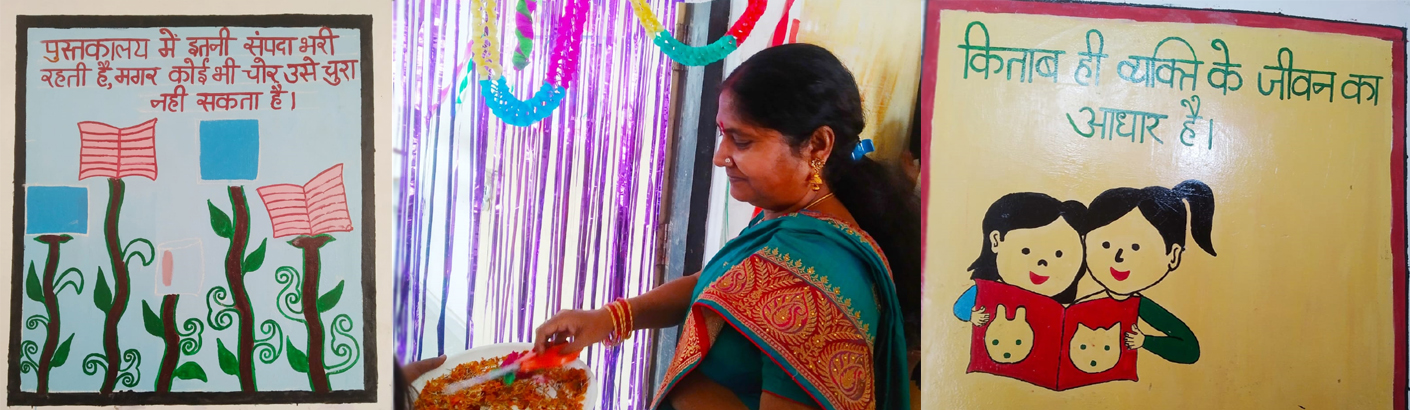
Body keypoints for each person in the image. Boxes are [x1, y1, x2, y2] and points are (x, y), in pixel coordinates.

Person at [533, 43, 920, 410]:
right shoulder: (785, 219)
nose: (720, 157)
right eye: (723, 135)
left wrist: (687, 383)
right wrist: (609, 318)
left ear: (817, 146)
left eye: (742, 141)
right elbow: (718, 284)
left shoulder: (822, 285)